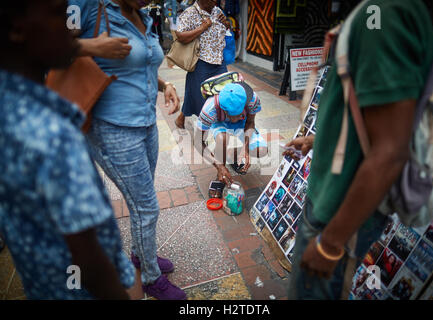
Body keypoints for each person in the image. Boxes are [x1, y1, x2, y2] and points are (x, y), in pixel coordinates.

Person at [284, 0, 433, 299]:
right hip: (332, 202)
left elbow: (390, 149)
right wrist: (318, 140)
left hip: (336, 209)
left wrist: (330, 244)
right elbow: (369, 117)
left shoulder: (380, 14)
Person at [0, 0, 134, 299]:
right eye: (59, 14)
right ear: (18, 28)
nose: (72, 29)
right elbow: (88, 260)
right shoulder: (52, 136)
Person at [70, 0, 185, 300]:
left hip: (146, 124)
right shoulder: (91, 9)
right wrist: (91, 47)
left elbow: (142, 62)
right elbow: (45, 48)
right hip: (111, 128)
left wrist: (164, 86)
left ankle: (140, 255)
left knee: (141, 202)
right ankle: (149, 277)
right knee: (146, 206)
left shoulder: (142, 15)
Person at [194, 82, 268, 190]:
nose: (233, 120)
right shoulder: (209, 109)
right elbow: (197, 142)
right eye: (230, 114)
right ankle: (220, 176)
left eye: (238, 114)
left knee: (261, 150)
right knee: (222, 139)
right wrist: (219, 166)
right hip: (220, 122)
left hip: (244, 123)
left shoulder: (253, 100)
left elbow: (250, 122)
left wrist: (245, 148)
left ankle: (231, 154)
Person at [174, 0, 230, 129]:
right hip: (200, 61)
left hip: (219, 60)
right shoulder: (190, 13)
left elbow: (226, 29)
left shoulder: (217, 11)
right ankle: (203, 131)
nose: (215, 1)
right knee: (198, 97)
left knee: (222, 94)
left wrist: (226, 23)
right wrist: (202, 28)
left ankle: (184, 119)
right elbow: (180, 36)